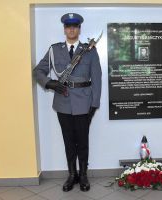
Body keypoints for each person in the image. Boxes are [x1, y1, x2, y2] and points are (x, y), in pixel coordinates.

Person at [33, 13, 102, 192]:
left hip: (84, 102)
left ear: (79, 29)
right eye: (68, 26)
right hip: (63, 102)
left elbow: (97, 77)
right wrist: (49, 83)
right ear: (64, 29)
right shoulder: (54, 50)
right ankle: (72, 175)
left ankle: (84, 175)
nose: (71, 29)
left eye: (75, 26)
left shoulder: (89, 50)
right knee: (68, 141)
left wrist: (94, 104)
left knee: (83, 141)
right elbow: (38, 71)